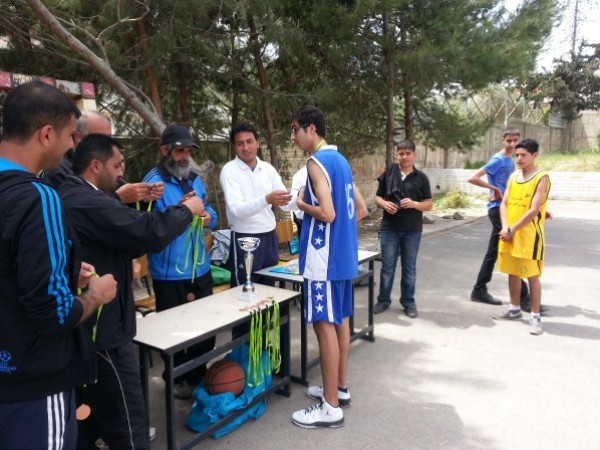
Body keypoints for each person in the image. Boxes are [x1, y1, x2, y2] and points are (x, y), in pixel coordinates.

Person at [58, 133, 206, 449]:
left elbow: (127, 232)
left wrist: (139, 202)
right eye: (117, 165)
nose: (122, 173)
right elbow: (146, 231)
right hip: (104, 331)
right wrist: (187, 211)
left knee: (92, 421)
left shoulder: (86, 195)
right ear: (95, 166)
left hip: (99, 325)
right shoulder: (87, 200)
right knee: (129, 424)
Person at [0, 80, 116, 449]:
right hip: (33, 382)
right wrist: (96, 295)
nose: (71, 147)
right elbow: (52, 312)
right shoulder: (38, 197)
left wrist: (64, 271)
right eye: (70, 136)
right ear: (47, 134)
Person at [290, 106, 368, 429]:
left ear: (311, 129)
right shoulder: (341, 161)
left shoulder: (315, 163)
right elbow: (360, 209)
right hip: (343, 257)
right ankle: (339, 388)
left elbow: (328, 213)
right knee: (340, 323)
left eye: (295, 129)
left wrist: (300, 204)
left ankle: (330, 407)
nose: (293, 136)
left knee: (324, 326)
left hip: (323, 261)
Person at [143, 124, 218, 399]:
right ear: (164, 151)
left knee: (205, 330)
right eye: (179, 151)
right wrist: (185, 210)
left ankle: (198, 375)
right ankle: (175, 378)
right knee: (174, 334)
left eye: (188, 151)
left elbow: (209, 211)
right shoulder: (153, 184)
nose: (185, 157)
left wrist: (208, 216)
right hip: (169, 273)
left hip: (200, 268)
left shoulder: (195, 180)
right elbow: (152, 227)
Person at [220, 122, 292, 287]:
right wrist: (267, 199)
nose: (246, 148)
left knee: (269, 291)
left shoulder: (268, 169)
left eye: (249, 141)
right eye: (240, 143)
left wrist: (302, 197)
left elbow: (285, 201)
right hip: (244, 239)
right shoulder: (229, 171)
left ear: (258, 143)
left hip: (270, 238)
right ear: (234, 147)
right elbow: (237, 210)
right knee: (245, 291)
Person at [44, 109, 165, 204]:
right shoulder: (58, 170)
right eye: (102, 138)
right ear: (79, 137)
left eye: (110, 138)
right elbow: (75, 210)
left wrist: (141, 196)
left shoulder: (105, 161)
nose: (109, 144)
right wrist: (118, 197)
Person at [492, 139, 550, 335]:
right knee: (513, 272)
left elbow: (534, 210)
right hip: (510, 234)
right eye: (517, 155)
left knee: (532, 277)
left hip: (529, 238)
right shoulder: (514, 176)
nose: (519, 158)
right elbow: (504, 203)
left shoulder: (541, 178)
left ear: (534, 155)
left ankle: (535, 317)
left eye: (523, 155)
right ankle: (514, 308)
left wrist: (512, 229)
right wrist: (506, 227)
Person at [468, 128, 531, 307]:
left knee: (495, 252)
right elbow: (473, 178)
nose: (512, 144)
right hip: (496, 210)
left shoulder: (511, 161)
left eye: (515, 140)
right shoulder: (498, 159)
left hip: (505, 209)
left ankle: (479, 290)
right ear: (503, 141)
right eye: (509, 140)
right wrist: (494, 189)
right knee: (508, 249)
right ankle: (523, 297)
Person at [372, 139, 432, 318]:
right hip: (389, 229)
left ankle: (408, 302)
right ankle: (383, 300)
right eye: (401, 153)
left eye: (408, 153)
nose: (404, 157)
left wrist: (414, 204)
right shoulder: (389, 173)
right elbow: (378, 197)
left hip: (412, 230)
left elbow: (428, 204)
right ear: (396, 155)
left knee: (409, 269)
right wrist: (385, 204)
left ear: (414, 155)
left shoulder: (421, 178)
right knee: (387, 268)